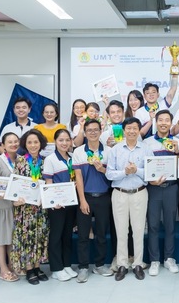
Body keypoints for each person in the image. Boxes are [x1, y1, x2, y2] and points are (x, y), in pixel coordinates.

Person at [106, 117, 148, 281]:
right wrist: (125, 172)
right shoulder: (115, 150)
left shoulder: (145, 149)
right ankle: (122, 265)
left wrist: (136, 170)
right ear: (124, 130)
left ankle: (138, 264)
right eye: (128, 128)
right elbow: (109, 174)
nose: (131, 131)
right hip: (120, 193)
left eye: (135, 128)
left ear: (139, 130)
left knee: (138, 230)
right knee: (121, 231)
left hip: (139, 193)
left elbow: (151, 172)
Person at [73, 118, 112, 282]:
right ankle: (83, 267)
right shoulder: (78, 152)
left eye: (96, 130)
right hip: (86, 197)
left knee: (101, 234)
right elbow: (78, 178)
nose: (93, 133)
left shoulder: (109, 151)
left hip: (104, 197)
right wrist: (82, 200)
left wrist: (102, 169)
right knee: (83, 235)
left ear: (101, 131)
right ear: (85, 132)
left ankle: (99, 265)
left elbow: (113, 175)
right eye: (89, 130)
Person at [43, 128, 85, 281]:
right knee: (56, 235)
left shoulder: (73, 157)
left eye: (67, 140)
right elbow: (48, 182)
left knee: (67, 234)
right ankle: (56, 268)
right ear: (55, 142)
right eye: (61, 140)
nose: (64, 143)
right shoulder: (50, 159)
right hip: (57, 205)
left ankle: (66, 265)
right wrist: (53, 201)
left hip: (72, 203)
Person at [143, 110, 179, 276]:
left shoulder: (177, 142)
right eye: (160, 120)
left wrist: (177, 152)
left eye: (167, 120)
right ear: (156, 122)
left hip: (171, 187)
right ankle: (154, 260)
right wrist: (151, 181)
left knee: (170, 224)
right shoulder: (147, 143)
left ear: (171, 123)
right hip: (153, 188)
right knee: (153, 225)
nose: (163, 123)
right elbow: (145, 166)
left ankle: (169, 258)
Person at [11, 129, 50, 285]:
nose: (33, 145)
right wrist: (15, 200)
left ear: (41, 143)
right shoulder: (20, 161)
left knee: (39, 235)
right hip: (24, 208)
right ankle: (29, 269)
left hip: (41, 207)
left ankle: (37, 266)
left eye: (36, 142)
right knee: (26, 237)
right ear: (25, 144)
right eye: (29, 142)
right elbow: (14, 183)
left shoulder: (46, 161)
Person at [0, 132, 20, 282]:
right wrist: (10, 196)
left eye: (16, 141)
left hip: (17, 206)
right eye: (10, 142)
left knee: (12, 238)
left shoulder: (21, 160)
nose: (13, 144)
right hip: (2, 206)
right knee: (1, 238)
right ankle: (3, 269)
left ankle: (12, 265)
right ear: (3, 145)